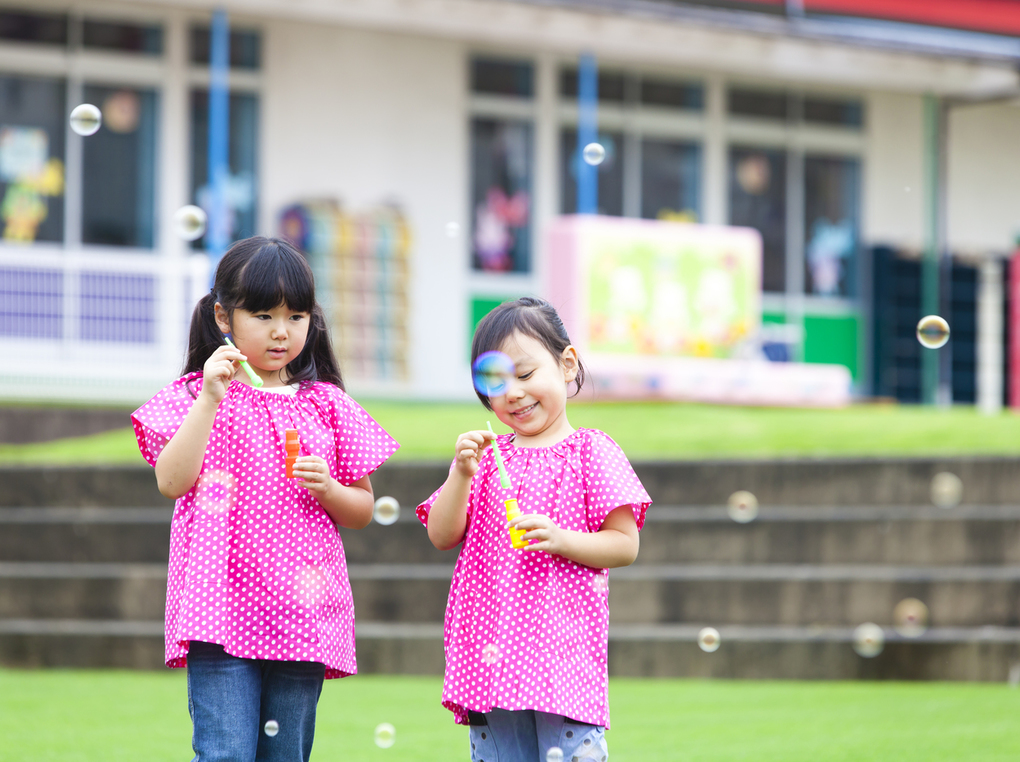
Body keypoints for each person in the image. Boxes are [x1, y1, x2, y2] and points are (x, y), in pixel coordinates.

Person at [131, 236, 398, 762]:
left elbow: (364, 509)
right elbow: (171, 480)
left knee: (287, 756)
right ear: (223, 317)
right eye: (263, 314)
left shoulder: (327, 405)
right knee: (225, 753)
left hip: (301, 616)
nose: (282, 331)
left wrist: (331, 489)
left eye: (296, 316)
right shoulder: (195, 394)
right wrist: (210, 397)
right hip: (219, 611)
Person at [417, 296, 651, 762]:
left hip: (561, 656)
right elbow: (442, 535)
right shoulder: (484, 458)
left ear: (567, 364)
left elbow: (625, 545)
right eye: (496, 382)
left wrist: (563, 540)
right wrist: (461, 473)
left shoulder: (591, 452)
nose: (514, 393)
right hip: (492, 654)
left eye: (525, 375)